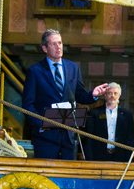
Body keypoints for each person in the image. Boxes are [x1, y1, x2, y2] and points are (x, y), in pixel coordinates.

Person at [22, 29, 109, 160]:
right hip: (45, 138)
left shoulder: (73, 67)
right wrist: (42, 123)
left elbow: (80, 95)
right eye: (54, 44)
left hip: (68, 137)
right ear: (45, 48)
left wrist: (93, 95)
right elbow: (28, 105)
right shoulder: (35, 71)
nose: (58, 47)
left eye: (60, 43)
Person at [84, 82, 134, 162]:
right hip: (98, 156)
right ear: (105, 95)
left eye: (115, 93)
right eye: (109, 93)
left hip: (121, 156)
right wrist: (89, 158)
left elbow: (131, 139)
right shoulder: (94, 113)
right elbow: (89, 138)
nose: (113, 96)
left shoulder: (127, 115)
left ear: (119, 95)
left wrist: (129, 158)